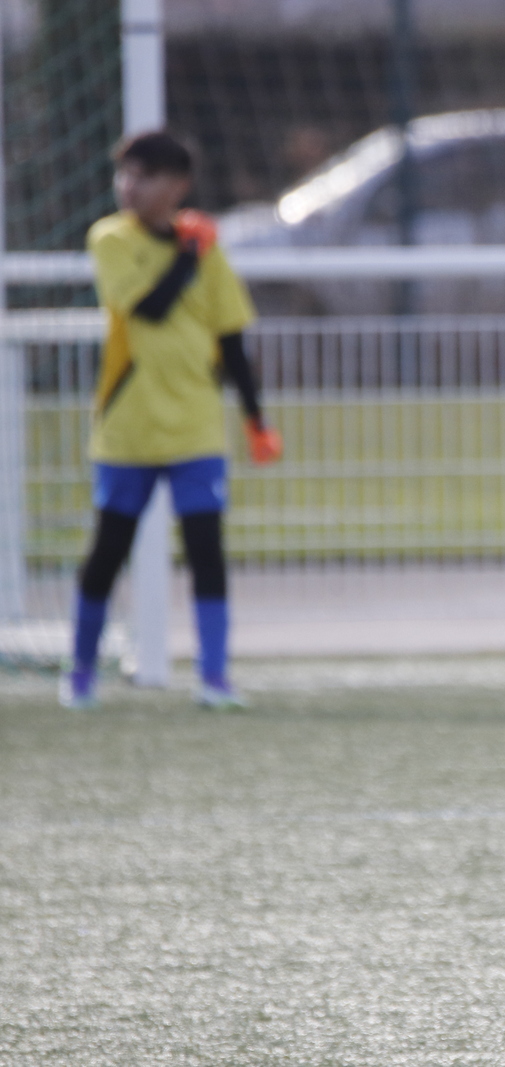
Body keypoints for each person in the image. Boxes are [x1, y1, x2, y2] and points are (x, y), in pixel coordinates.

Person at [59, 130, 282, 710]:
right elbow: (150, 308)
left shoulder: (206, 252)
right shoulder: (112, 238)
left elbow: (231, 340)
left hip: (195, 428)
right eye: (125, 175)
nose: (129, 187)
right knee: (109, 550)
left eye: (145, 176)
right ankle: (80, 672)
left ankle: (214, 678)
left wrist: (256, 420)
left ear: (178, 185)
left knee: (206, 550)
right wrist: (189, 253)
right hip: (129, 429)